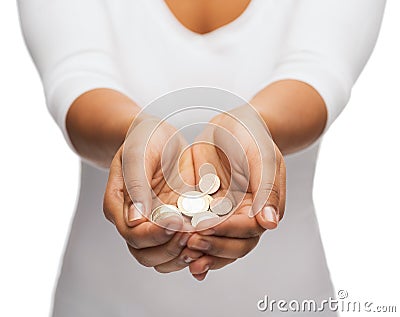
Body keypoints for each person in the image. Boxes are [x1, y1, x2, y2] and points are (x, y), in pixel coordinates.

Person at [18, 0, 386, 316]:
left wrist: (251, 129)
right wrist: (135, 134)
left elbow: (318, 72)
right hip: (99, 304)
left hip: (287, 300)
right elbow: (76, 78)